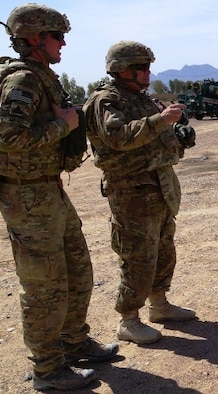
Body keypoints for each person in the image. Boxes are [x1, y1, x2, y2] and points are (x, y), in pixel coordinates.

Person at [0, 4, 119, 391]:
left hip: (46, 189)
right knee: (44, 285)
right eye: (56, 36)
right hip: (27, 198)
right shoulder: (23, 82)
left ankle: (73, 342)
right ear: (34, 38)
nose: (63, 42)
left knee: (76, 268)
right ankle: (48, 370)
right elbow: (8, 138)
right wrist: (62, 125)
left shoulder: (40, 76)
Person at [83, 40, 197, 345]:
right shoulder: (106, 100)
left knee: (162, 249)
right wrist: (161, 120)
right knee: (137, 254)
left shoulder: (140, 98)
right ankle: (128, 320)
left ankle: (159, 305)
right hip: (130, 190)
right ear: (121, 69)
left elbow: (154, 136)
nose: (148, 73)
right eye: (141, 67)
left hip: (159, 186)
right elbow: (118, 136)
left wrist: (177, 137)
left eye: (148, 66)